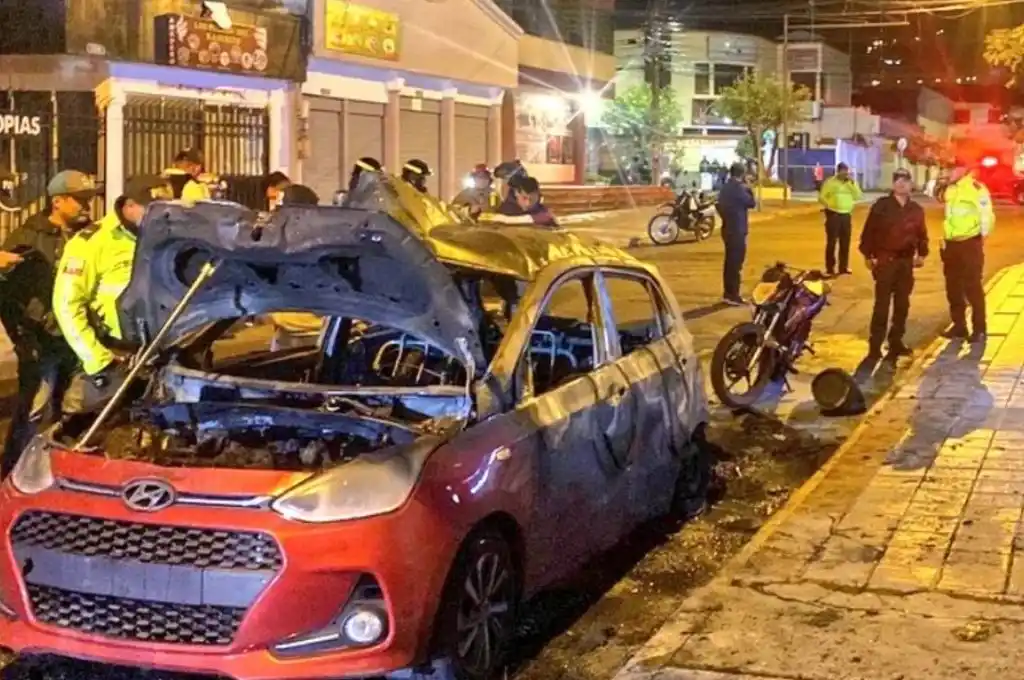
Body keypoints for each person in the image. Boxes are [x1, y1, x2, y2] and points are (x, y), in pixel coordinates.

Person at [0, 170, 97, 474]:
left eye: (88, 200)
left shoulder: (88, 236)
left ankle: (58, 471)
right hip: (41, 340)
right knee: (34, 409)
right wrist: (26, 335)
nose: (86, 206)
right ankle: (13, 473)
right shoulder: (28, 237)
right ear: (58, 201)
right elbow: (8, 295)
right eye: (79, 200)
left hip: (76, 338)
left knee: (71, 408)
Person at [53, 175, 173, 415]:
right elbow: (67, 305)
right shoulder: (91, 242)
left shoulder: (166, 238)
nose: (163, 216)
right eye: (154, 209)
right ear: (129, 206)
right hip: (115, 358)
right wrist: (98, 361)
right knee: (90, 426)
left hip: (164, 355)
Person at [858, 168, 928, 360]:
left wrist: (922, 254)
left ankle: (896, 341)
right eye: (897, 180)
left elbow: (921, 234)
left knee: (902, 304)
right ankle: (875, 345)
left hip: (905, 263)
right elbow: (868, 232)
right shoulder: (881, 206)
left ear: (911, 184)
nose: (901, 183)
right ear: (893, 184)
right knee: (882, 305)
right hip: (885, 261)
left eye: (905, 180)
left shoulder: (916, 209)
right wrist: (868, 255)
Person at [940, 159, 994, 342]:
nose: (949, 172)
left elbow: (987, 215)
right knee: (953, 287)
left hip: (970, 243)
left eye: (952, 169)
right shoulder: (950, 189)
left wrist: (981, 238)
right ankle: (959, 326)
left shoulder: (976, 189)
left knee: (972, 287)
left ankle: (979, 328)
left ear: (963, 169)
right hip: (951, 244)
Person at [716, 162, 756, 306]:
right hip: (737, 230)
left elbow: (719, 206)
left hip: (727, 228)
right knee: (736, 264)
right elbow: (752, 203)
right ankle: (733, 295)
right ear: (742, 174)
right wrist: (749, 188)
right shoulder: (739, 189)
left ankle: (728, 293)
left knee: (729, 263)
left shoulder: (725, 187)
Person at [818, 162, 863, 276]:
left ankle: (843, 267)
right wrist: (830, 205)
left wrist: (851, 184)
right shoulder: (830, 182)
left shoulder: (851, 183)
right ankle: (830, 268)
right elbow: (822, 197)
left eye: (846, 172)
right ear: (838, 172)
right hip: (834, 215)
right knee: (832, 243)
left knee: (845, 243)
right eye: (842, 172)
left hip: (846, 215)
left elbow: (858, 196)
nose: (845, 174)